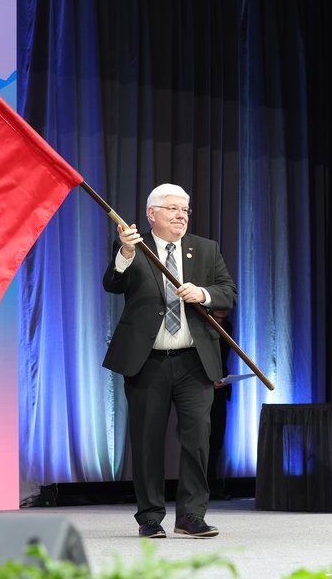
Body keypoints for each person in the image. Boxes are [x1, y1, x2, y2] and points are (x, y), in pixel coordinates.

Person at [102, 183, 237, 539]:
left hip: (194, 361)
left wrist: (204, 293)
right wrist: (126, 254)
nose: (182, 216)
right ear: (152, 213)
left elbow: (228, 292)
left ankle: (191, 516)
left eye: (186, 210)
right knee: (147, 442)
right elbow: (113, 283)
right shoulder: (134, 246)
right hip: (148, 362)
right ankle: (149, 517)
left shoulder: (206, 249)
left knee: (197, 439)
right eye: (174, 209)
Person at [207, 309, 233, 500]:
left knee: (217, 438)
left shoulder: (228, 326)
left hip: (221, 386)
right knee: (200, 439)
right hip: (202, 384)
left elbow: (223, 357)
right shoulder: (202, 322)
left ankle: (212, 483)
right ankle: (199, 487)